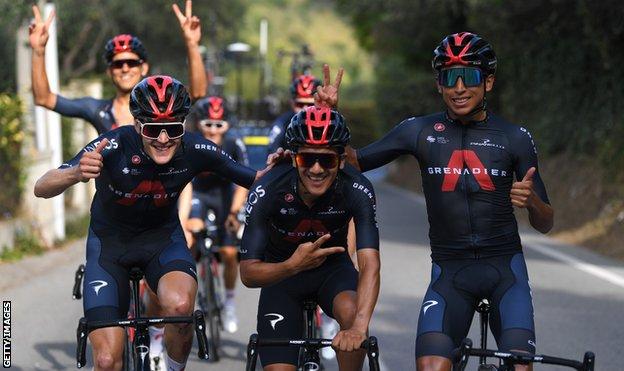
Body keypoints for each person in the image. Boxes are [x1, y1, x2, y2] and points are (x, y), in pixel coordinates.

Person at [313, 33, 554, 371]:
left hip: (505, 271)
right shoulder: (418, 130)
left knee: (519, 367)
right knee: (430, 366)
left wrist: (533, 204)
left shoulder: (515, 138)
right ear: (438, 85)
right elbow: (353, 161)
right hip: (449, 271)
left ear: (488, 82)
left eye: (469, 76)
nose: (458, 87)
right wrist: (328, 117)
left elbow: (546, 223)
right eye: (447, 77)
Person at [34, 76, 269, 371]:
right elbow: (41, 187)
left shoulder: (195, 148)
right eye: (152, 129)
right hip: (110, 248)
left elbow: (259, 179)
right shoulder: (113, 145)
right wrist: (75, 173)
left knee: (181, 309)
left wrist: (288, 163)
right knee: (106, 361)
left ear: (183, 125)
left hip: (162, 242)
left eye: (172, 129)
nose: (162, 139)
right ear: (136, 125)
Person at [29, 2, 205, 366]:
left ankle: (160, 340)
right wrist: (39, 50)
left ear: (145, 67)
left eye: (132, 62)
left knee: (169, 295)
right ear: (110, 71)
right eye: (117, 63)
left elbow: (198, 91)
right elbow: (44, 98)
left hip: (163, 207)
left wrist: (191, 44)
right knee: (110, 347)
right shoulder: (99, 111)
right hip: (116, 213)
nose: (125, 68)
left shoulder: (163, 102)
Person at [240, 106, 381, 371]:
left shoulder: (357, 188)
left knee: (353, 315)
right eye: (307, 159)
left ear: (341, 160)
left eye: (326, 160)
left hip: (333, 272)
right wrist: (293, 265)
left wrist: (358, 330)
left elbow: (370, 264)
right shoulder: (267, 189)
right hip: (282, 276)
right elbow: (248, 274)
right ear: (293, 158)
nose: (316, 169)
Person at [185, 95, 249, 333]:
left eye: (219, 125)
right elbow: (182, 181)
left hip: (224, 198)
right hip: (197, 195)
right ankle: (185, 298)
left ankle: (229, 302)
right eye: (208, 125)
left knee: (230, 253)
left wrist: (234, 212)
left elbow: (244, 182)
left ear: (227, 126)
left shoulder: (234, 144)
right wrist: (186, 217)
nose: (213, 130)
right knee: (189, 241)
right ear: (199, 124)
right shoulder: (188, 142)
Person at [267, 74, 322, 153]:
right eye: (299, 104)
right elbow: (270, 158)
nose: (305, 109)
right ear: (292, 103)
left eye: (310, 105)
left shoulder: (331, 122)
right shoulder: (281, 125)